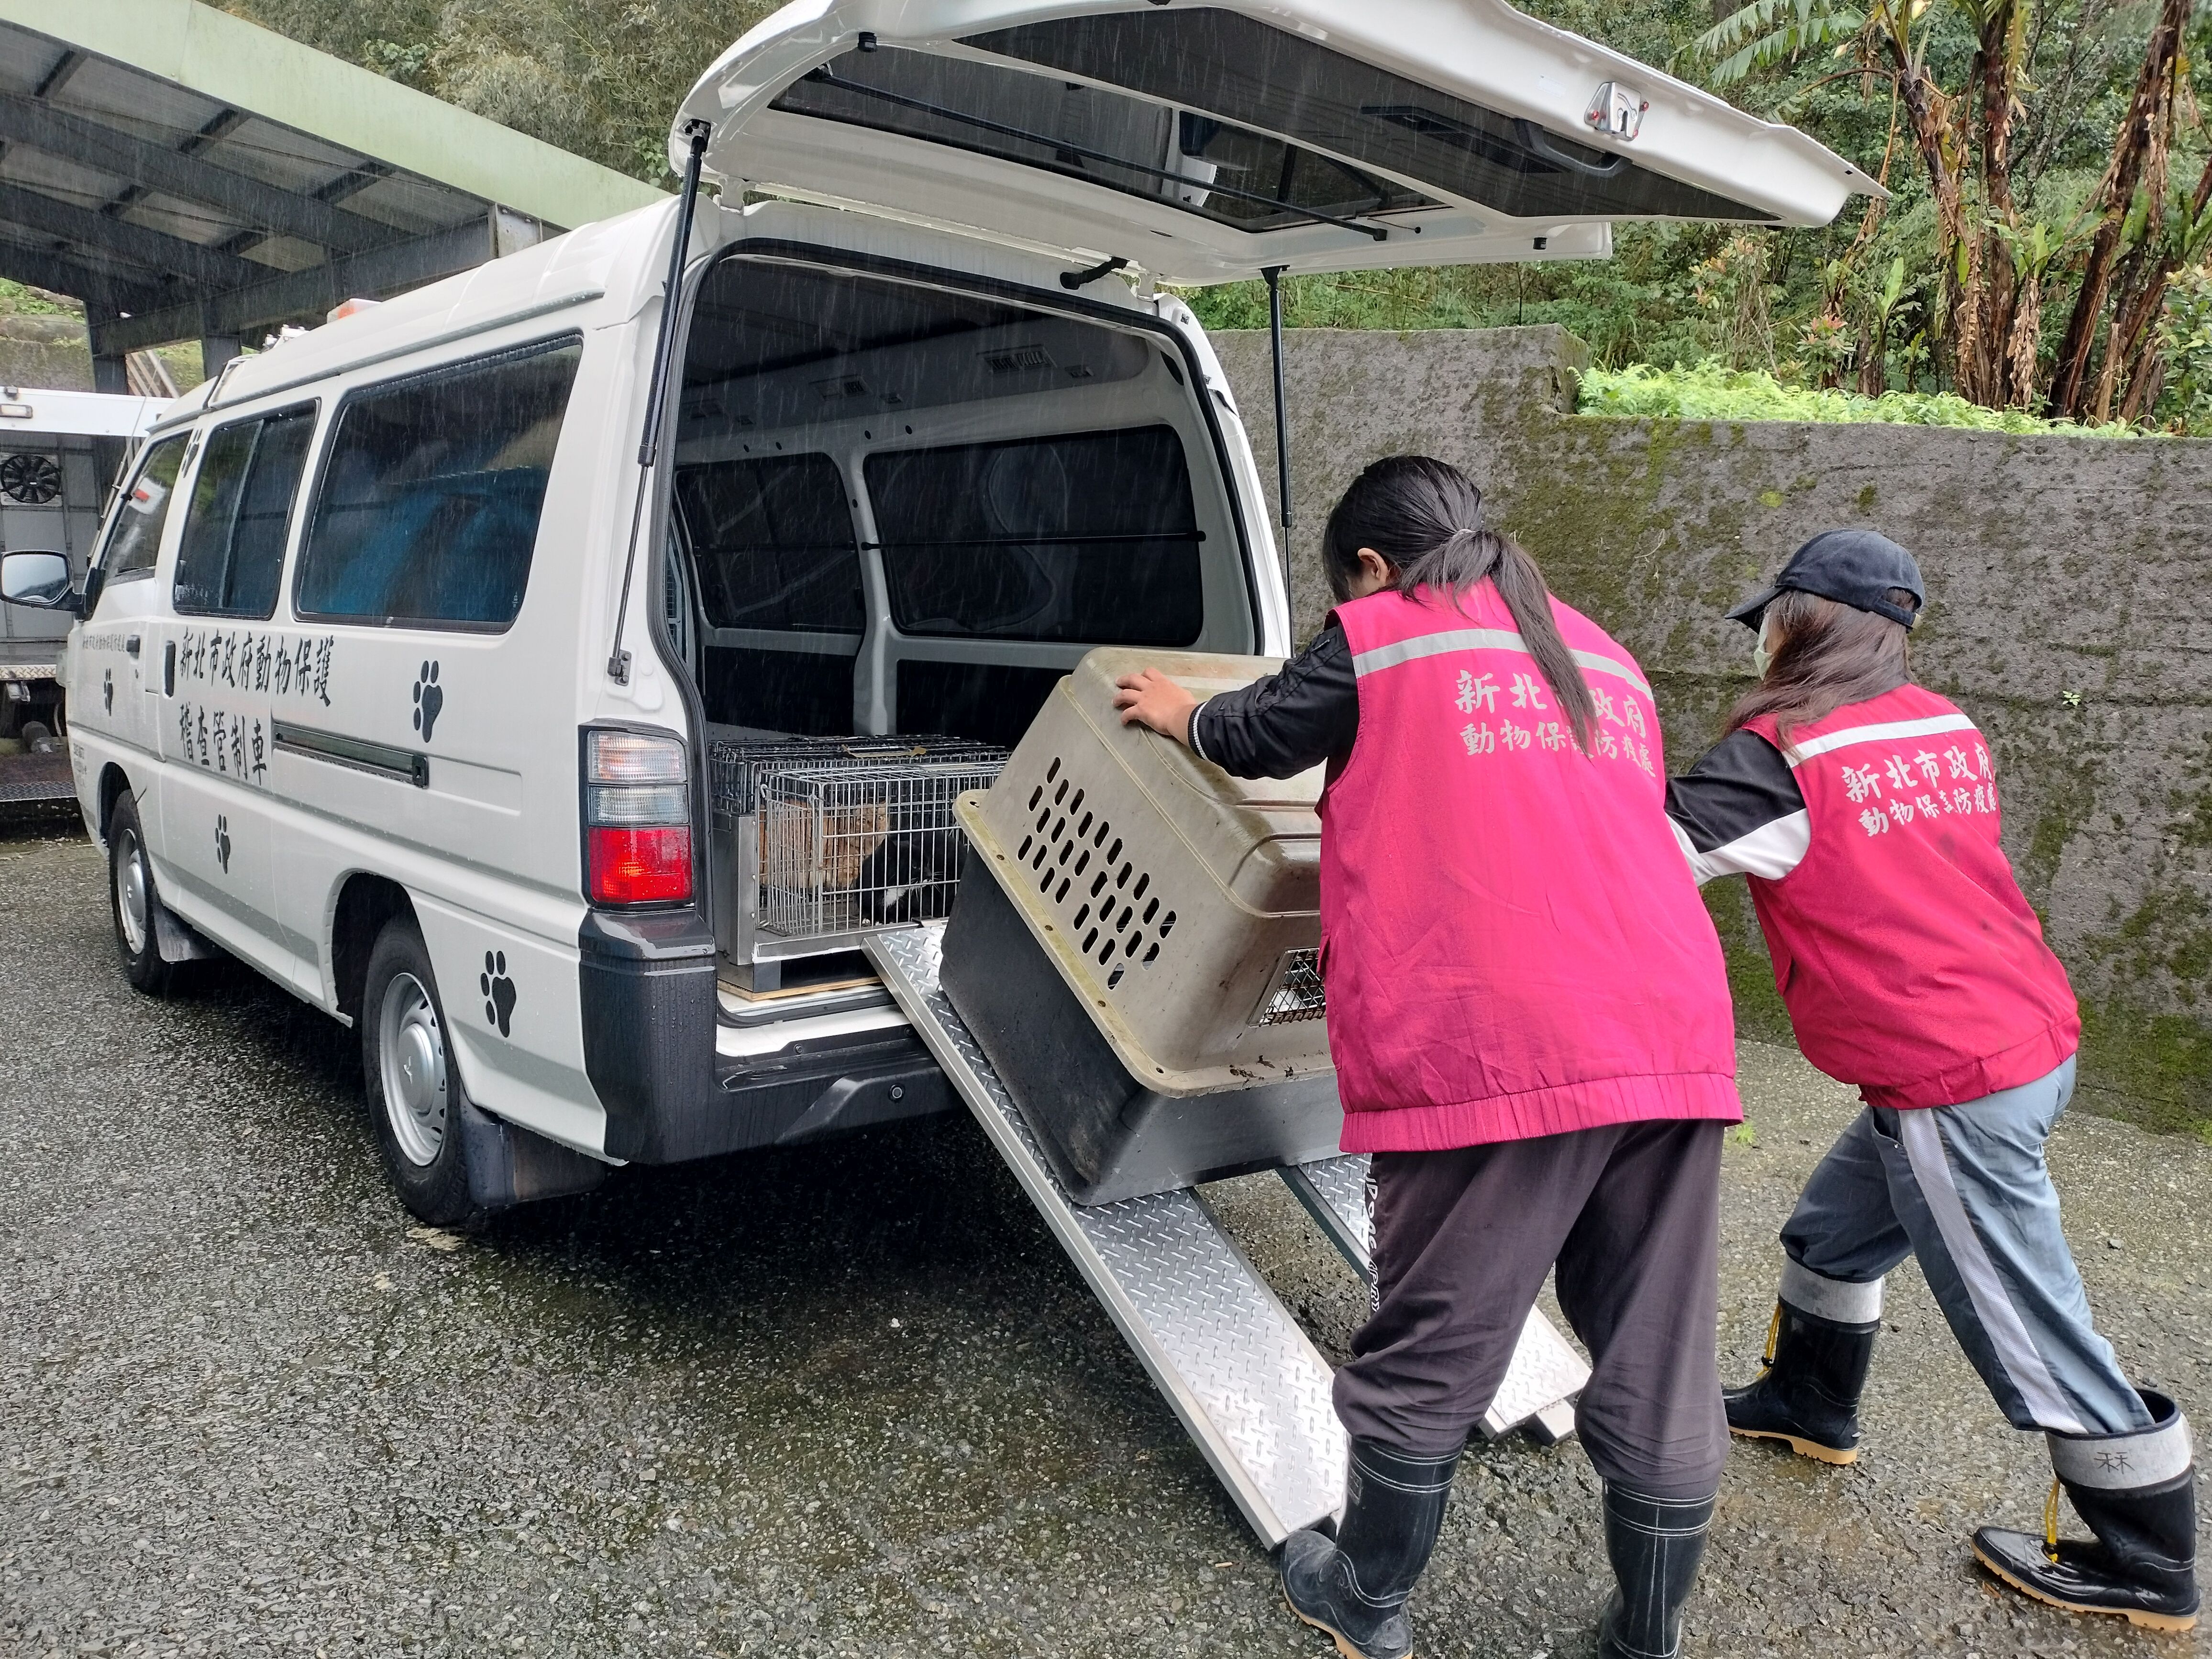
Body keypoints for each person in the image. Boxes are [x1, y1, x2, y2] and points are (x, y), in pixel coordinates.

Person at [1114, 456, 1743, 1659]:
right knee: (1657, 1337)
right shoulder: (1595, 650)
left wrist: (1172, 711)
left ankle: (1364, 1593)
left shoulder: (1383, 632)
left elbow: (1255, 735)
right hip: (1671, 1031)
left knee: (1437, 1327)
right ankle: (1645, 1637)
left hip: (1500, 1038)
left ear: (1366, 565)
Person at [1664, 529, 2197, 1634]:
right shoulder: (1938, 718)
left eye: (1771, 615)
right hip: (2025, 1034)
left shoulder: (1781, 753)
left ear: (1805, 621)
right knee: (1830, 1233)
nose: (1760, 636)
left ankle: (2148, 1563)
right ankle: (1809, 1402)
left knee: (2026, 1318)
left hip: (1949, 1076)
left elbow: (1632, 853)